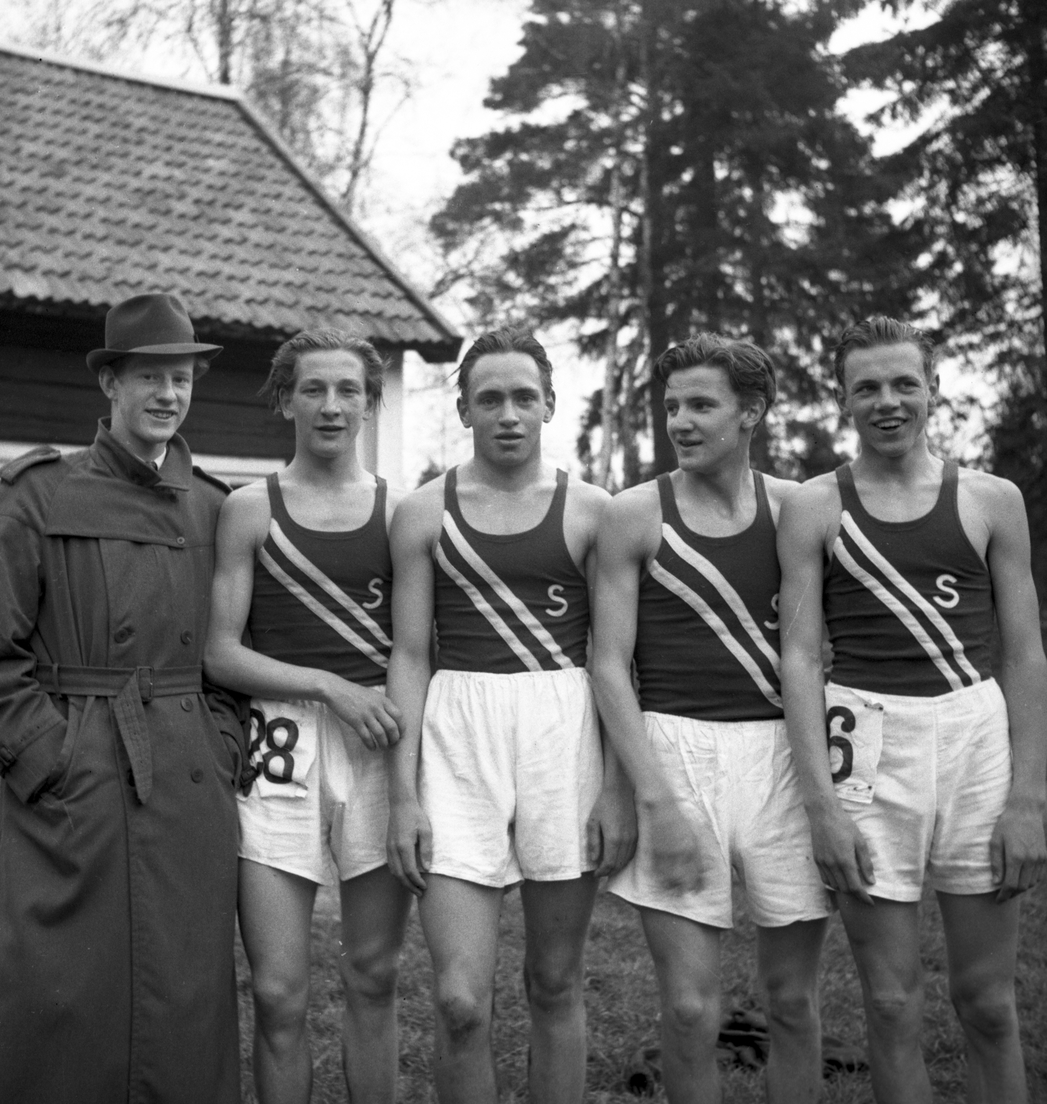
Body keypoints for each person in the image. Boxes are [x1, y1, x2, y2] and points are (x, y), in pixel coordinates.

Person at [0, 292, 246, 1104]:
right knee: (53, 986)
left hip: (188, 786)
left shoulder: (215, 506)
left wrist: (219, 746)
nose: (168, 394)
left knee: (183, 993)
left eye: (181, 378)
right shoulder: (36, 494)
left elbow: (231, 656)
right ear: (110, 383)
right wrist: (52, 762)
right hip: (76, 783)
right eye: (149, 376)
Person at [779, 316, 1047, 1104]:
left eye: (904, 384)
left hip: (974, 740)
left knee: (989, 1004)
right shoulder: (815, 506)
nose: (887, 401)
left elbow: (1024, 654)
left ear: (934, 388)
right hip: (866, 745)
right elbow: (800, 658)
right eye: (866, 387)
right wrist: (821, 808)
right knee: (892, 1003)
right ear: (843, 399)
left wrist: (1028, 799)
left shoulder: (991, 500)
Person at [386, 327, 632, 1104]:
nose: (509, 414)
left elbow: (618, 662)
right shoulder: (423, 513)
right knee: (460, 1001)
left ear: (550, 403)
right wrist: (402, 793)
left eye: (525, 397)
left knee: (554, 983)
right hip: (458, 740)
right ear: (463, 409)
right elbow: (409, 656)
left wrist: (617, 787)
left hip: (564, 738)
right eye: (489, 399)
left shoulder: (593, 512)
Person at [592, 334, 830, 1104]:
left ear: (751, 412)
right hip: (676, 751)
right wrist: (651, 798)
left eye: (702, 405)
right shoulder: (635, 513)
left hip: (784, 756)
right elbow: (608, 664)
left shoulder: (797, 508)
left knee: (792, 1003)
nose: (681, 422)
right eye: (672, 407)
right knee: (691, 1010)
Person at [203, 330, 409, 1104]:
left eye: (348, 390)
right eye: (313, 389)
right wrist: (327, 685)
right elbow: (221, 652)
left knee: (374, 976)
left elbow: (417, 645)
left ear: (369, 403)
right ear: (285, 399)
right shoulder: (249, 508)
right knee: (278, 993)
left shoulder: (400, 512)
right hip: (278, 745)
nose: (331, 405)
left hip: (377, 741)